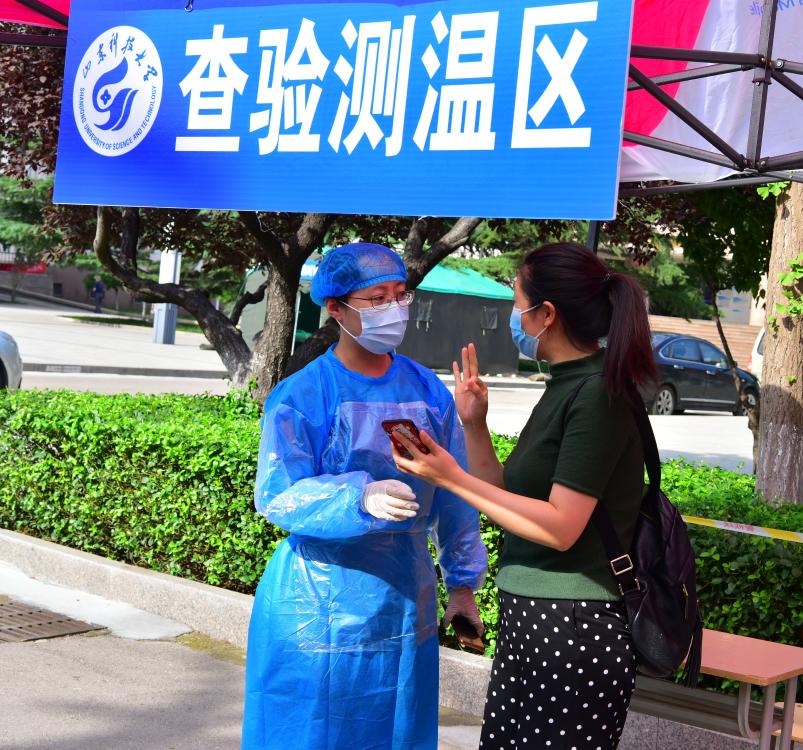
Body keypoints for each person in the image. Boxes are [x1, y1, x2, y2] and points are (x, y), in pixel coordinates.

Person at [390, 242, 657, 749]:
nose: (514, 317)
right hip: (534, 618)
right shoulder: (566, 385)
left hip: (572, 628)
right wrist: (474, 425)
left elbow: (560, 527)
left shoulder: (597, 394)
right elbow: (506, 500)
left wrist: (451, 478)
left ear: (546, 314)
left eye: (517, 303)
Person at [241, 243, 488, 750]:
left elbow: (455, 495)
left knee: (395, 729)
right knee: (314, 731)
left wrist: (463, 586)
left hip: (404, 599)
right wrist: (358, 497)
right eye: (377, 298)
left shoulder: (428, 391)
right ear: (335, 307)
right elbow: (279, 493)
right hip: (317, 601)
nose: (393, 308)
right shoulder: (303, 394)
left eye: (400, 295)